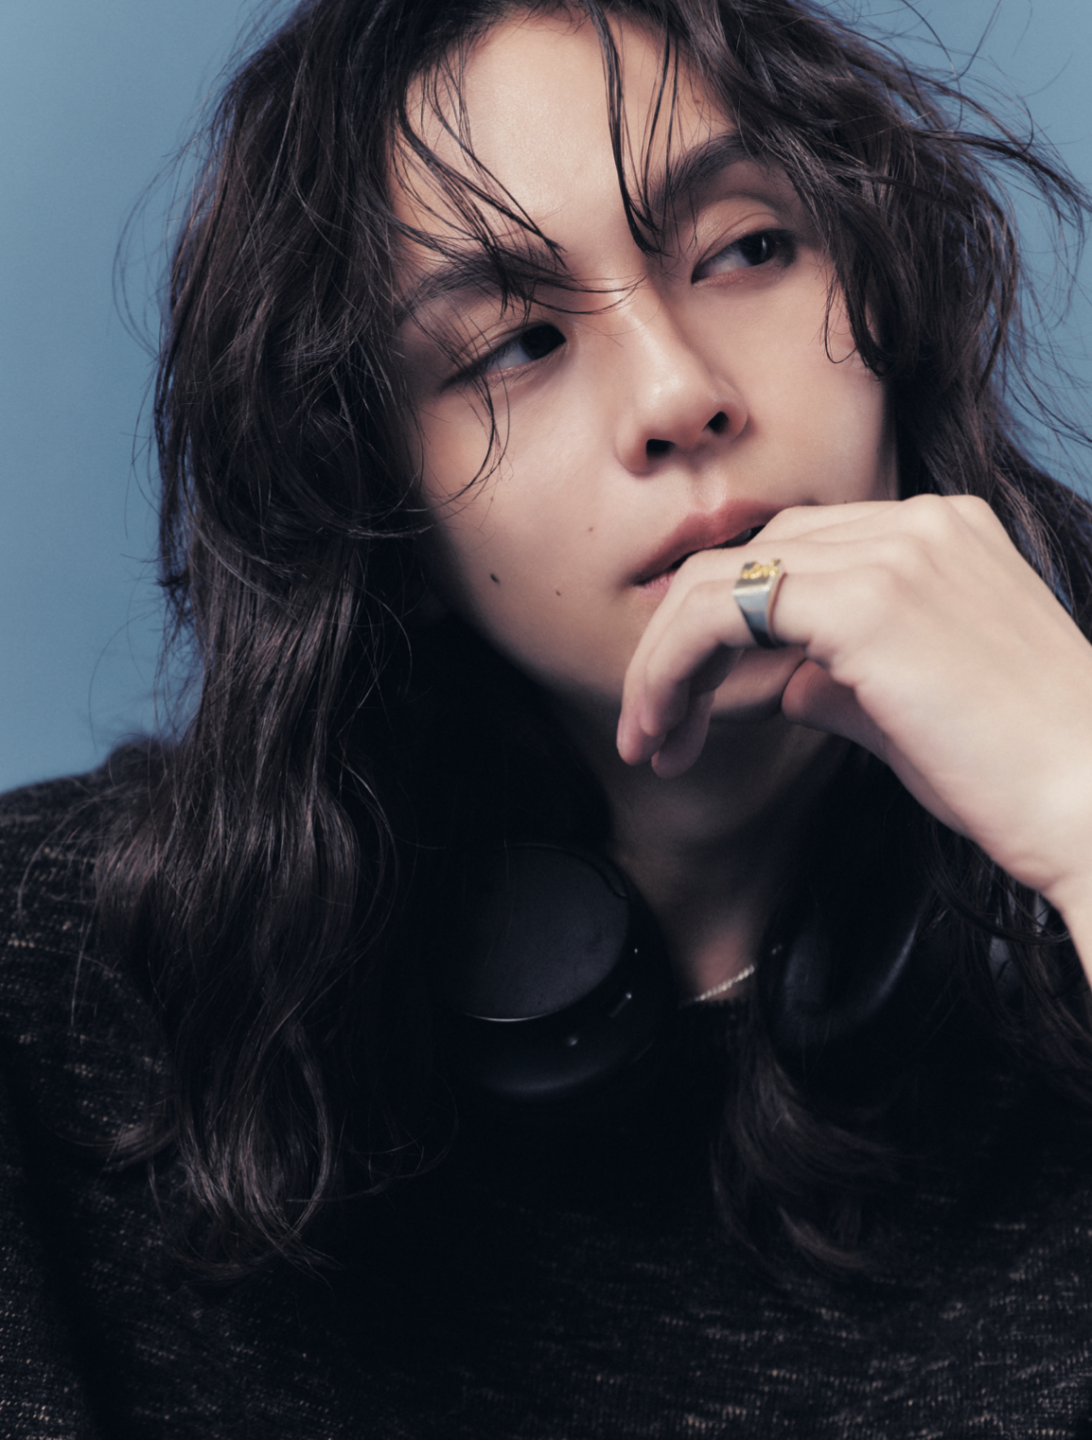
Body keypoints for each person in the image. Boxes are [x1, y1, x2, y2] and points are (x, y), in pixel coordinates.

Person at [4, 0, 1092, 1432]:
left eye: (748, 250)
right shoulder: (47, 995)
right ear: (380, 508)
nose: (679, 394)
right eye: (515, 342)